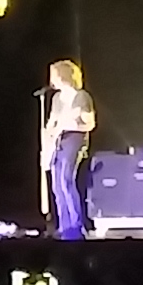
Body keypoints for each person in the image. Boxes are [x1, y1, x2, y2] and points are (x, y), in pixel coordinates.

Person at [40, 60, 94, 241]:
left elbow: (90, 124)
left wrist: (69, 125)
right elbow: (52, 122)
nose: (51, 79)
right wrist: (49, 133)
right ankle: (64, 226)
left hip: (74, 137)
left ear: (63, 75)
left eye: (54, 74)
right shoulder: (57, 99)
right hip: (58, 141)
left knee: (66, 180)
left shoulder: (81, 97)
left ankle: (76, 225)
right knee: (56, 185)